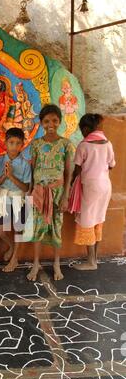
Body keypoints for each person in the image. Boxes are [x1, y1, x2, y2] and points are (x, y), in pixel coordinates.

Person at [27, 104, 75, 281]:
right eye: (46, 121)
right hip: (39, 192)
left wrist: (65, 196)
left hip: (57, 193)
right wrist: (31, 191)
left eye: (54, 120)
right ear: (41, 123)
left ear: (60, 122)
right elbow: (32, 171)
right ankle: (36, 263)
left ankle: (56, 263)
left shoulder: (66, 144)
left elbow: (69, 173)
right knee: (37, 229)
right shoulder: (36, 145)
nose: (51, 124)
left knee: (56, 228)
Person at [72, 113, 115, 270]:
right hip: (106, 186)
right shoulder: (108, 144)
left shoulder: (83, 145)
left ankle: (90, 262)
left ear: (85, 129)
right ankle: (94, 258)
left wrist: (70, 186)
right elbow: (111, 165)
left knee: (88, 220)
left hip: (91, 187)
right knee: (98, 220)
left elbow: (77, 169)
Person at [0, 128, 31, 272]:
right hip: (4, 200)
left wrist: (12, 176)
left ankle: (15, 259)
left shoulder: (25, 164)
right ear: (5, 143)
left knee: (18, 230)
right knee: (1, 231)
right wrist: (4, 176)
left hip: (19, 199)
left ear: (22, 145)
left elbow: (26, 188)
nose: (14, 146)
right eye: (11, 142)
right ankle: (11, 247)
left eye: (18, 143)